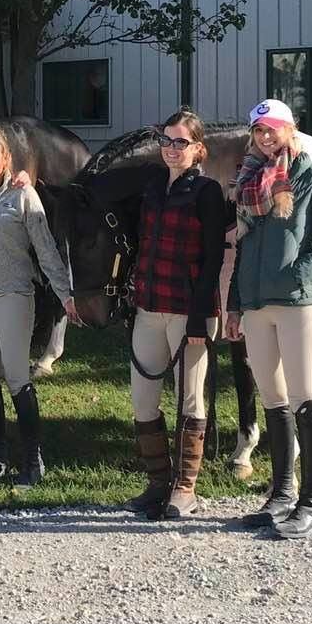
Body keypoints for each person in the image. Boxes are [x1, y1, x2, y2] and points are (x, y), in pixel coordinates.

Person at [226, 98, 312, 539]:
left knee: (304, 399)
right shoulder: (248, 181)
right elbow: (243, 247)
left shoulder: (311, 176)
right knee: (273, 401)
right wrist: (235, 303)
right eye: (257, 131)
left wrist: (298, 274)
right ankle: (281, 494)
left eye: (271, 130)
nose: (264, 137)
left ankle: (311, 503)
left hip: (298, 304)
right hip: (258, 306)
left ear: (290, 129)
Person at [117, 107, 226, 519]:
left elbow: (213, 257)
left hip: (189, 311)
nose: (171, 148)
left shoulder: (207, 192)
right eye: (166, 141)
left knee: (189, 400)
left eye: (180, 142)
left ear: (198, 149)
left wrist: (200, 318)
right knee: (143, 400)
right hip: (149, 305)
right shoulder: (152, 188)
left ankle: (185, 488)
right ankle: (157, 484)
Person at [0, 124, 80, 487]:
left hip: (13, 296)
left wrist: (65, 294)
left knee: (16, 378)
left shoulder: (22, 194)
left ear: (6, 159)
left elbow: (45, 248)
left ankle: (32, 460)